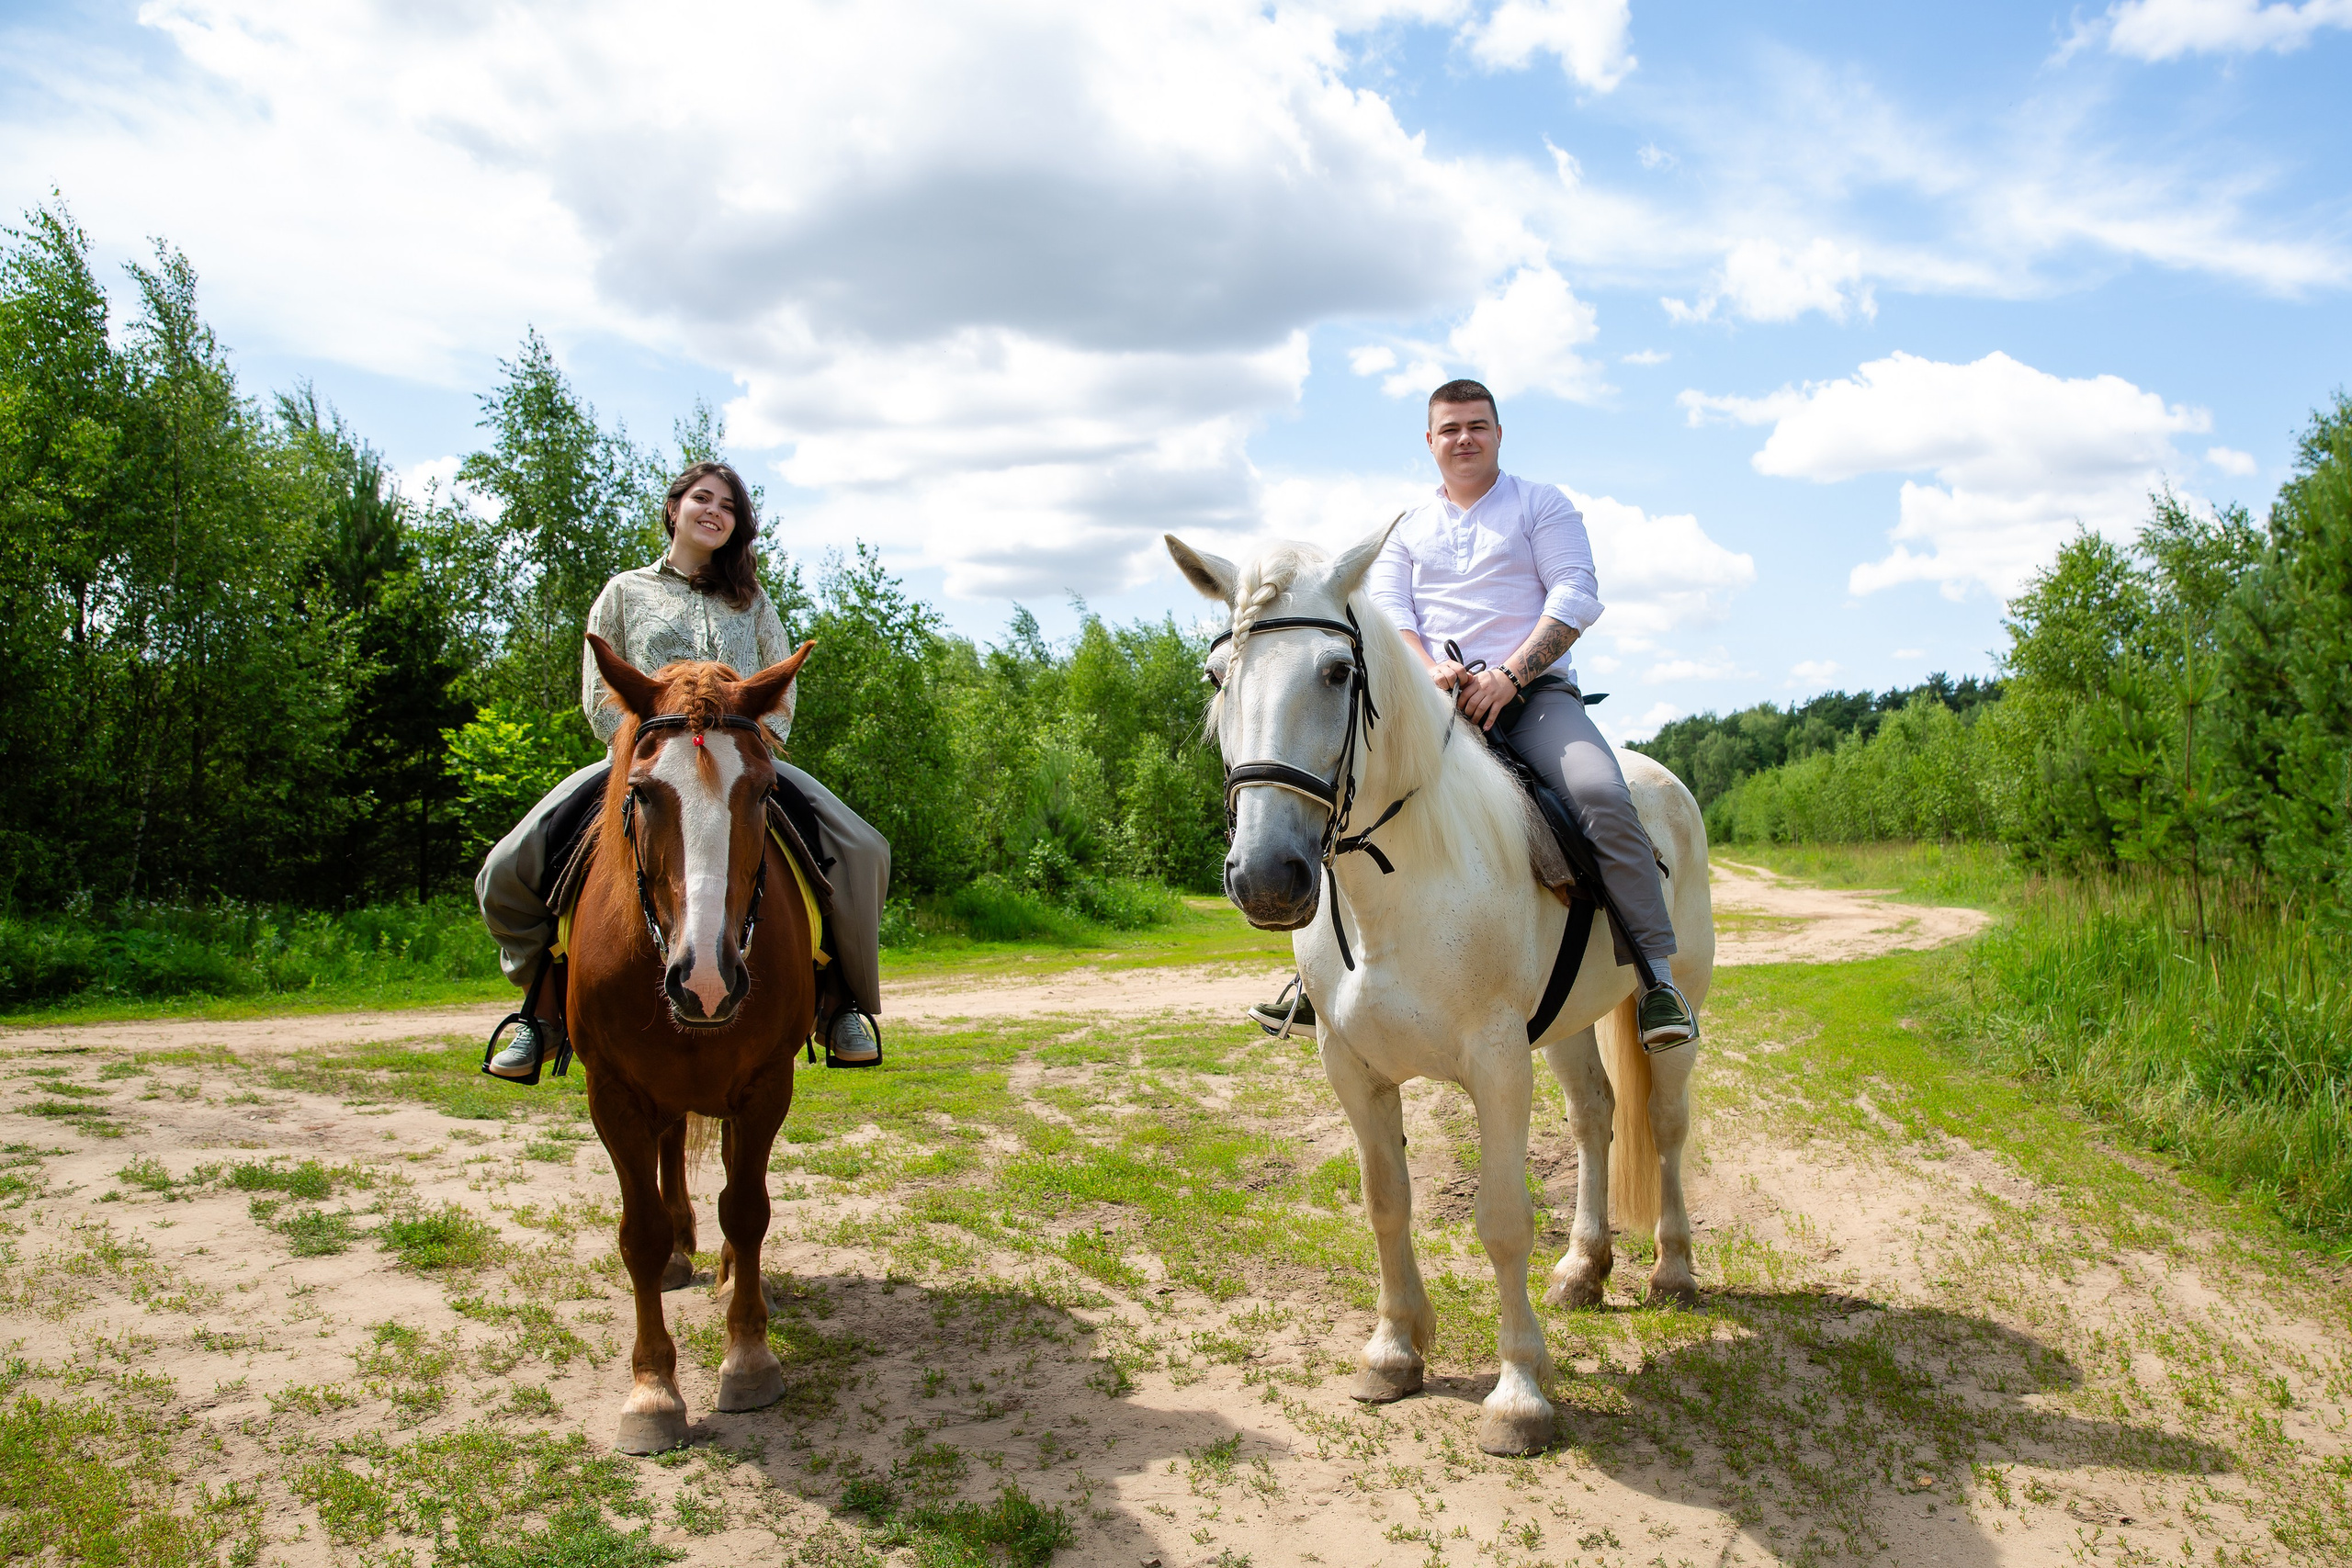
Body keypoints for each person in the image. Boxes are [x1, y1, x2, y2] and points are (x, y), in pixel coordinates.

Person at [1247, 378, 1698, 1050]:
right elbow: (1393, 615)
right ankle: (1321, 980)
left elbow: (1576, 592)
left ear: (1498, 434)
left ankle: (1656, 980)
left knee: (1602, 794)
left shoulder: (1540, 505)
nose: (1464, 437)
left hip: (1536, 697)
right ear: (1429, 441)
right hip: (1435, 708)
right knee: (1349, 793)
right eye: (1450, 427)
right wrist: (1430, 669)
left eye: (1477, 425)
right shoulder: (1407, 530)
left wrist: (1512, 673)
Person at [476, 460, 889, 1078]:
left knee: (863, 848)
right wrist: (646, 747)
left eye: (728, 505)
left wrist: (750, 747)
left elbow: (783, 689)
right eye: (702, 498)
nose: (714, 510)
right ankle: (540, 1012)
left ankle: (840, 1003)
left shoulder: (753, 603)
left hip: (737, 761)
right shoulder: (624, 592)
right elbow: (599, 693)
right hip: (649, 758)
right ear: (674, 508)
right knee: (507, 866)